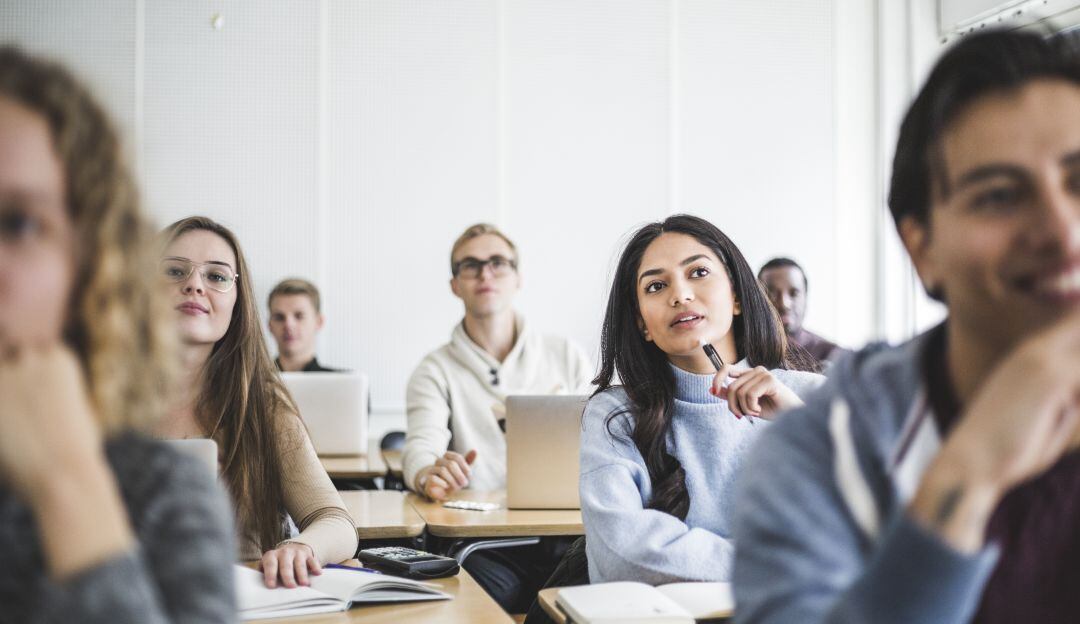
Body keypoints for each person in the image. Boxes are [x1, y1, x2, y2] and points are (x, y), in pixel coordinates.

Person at [733, 29, 1080, 624]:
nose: (1063, 233)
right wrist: (966, 478)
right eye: (999, 195)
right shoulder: (823, 451)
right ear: (922, 248)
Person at [0, 46, 235, 622]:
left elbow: (328, 515)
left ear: (92, 264)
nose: (194, 290)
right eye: (176, 273)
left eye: (19, 224)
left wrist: (69, 490)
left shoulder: (160, 493)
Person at [580, 214, 823, 585]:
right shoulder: (615, 416)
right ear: (643, 323)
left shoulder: (809, 395)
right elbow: (623, 555)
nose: (680, 295)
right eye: (656, 286)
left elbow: (882, 532)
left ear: (737, 296)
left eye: (698, 273)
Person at [157, 216, 358, 589]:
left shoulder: (262, 405)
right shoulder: (96, 401)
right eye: (174, 271)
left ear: (237, 301)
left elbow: (336, 521)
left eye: (216, 276)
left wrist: (301, 546)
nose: (193, 285)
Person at [403, 222, 593, 612]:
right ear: (455, 284)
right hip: (488, 545)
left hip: (570, 535)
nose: (485, 274)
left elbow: (602, 441)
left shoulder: (565, 354)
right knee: (476, 595)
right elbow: (420, 447)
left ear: (517, 278)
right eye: (470, 265)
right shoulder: (434, 369)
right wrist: (427, 474)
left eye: (497, 263)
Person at [758, 257, 847, 364]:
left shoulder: (833, 355)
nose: (784, 304)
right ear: (757, 299)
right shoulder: (742, 352)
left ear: (806, 298)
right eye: (771, 293)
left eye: (794, 293)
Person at [268, 278, 342, 372]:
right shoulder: (249, 382)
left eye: (299, 316)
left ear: (319, 322)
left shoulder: (347, 383)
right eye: (279, 317)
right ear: (270, 325)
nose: (288, 325)